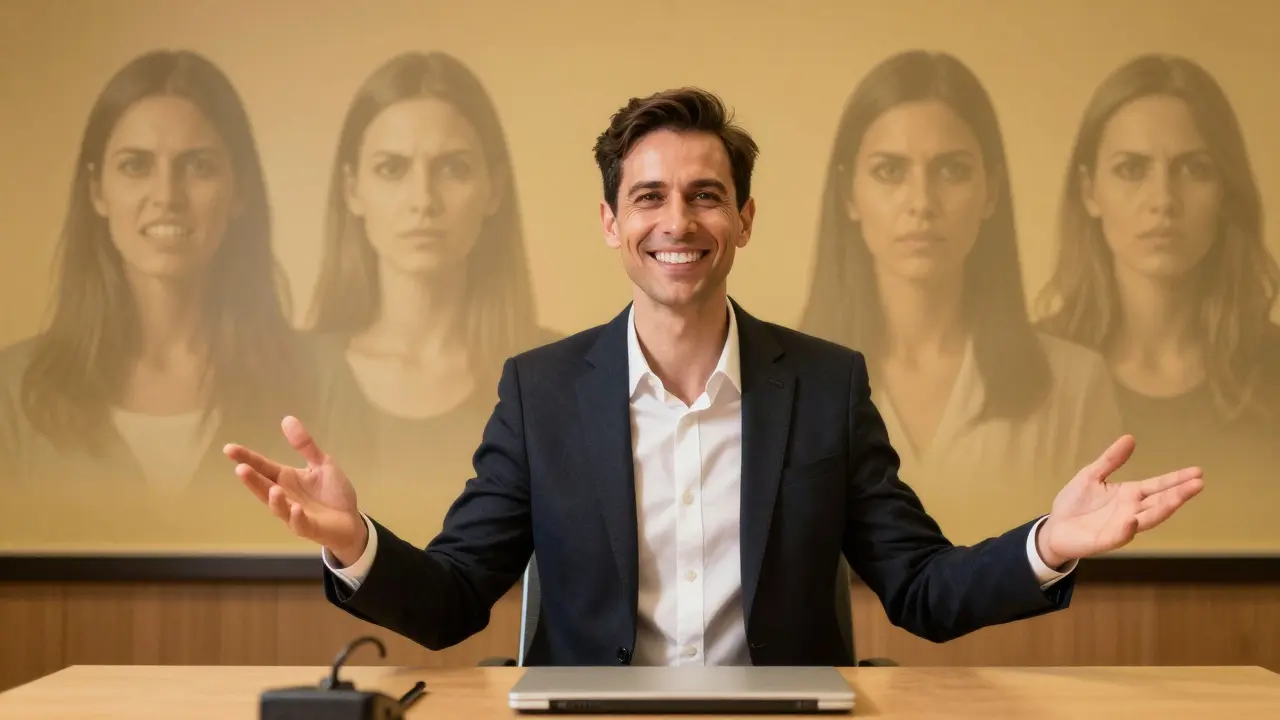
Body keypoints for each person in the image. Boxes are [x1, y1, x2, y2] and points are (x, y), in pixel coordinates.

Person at [224, 87, 1203, 667]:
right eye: (647, 197)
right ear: (610, 223)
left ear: (742, 218)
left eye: (705, 197)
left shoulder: (823, 386)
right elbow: (450, 603)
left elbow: (917, 589)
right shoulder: (541, 392)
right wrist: (355, 544)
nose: (676, 223)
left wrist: (1047, 542)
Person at [799, 50, 1124, 541]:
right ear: (849, 194)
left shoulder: (1076, 386)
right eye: (890, 171)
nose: (922, 203)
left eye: (950, 171)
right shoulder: (785, 384)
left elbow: (1100, 586)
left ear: (990, 190)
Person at [0, 49, 311, 547]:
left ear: (240, 192)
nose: (166, 194)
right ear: (96, 190)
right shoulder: (10, 396)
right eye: (135, 165)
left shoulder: (319, 382)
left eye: (198, 166)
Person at [304, 51, 560, 534]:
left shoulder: (560, 376)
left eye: (453, 168)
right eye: (392, 169)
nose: (423, 200)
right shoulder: (290, 373)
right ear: (352, 188)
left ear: (494, 189)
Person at [1035, 54, 1279, 547]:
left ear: (1226, 191)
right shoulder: (1033, 372)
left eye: (1193, 168)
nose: (1163, 199)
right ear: (1089, 191)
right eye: (1131, 168)